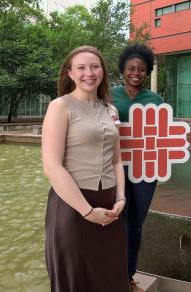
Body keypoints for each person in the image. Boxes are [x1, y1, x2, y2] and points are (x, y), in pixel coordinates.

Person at [42, 46, 128, 292]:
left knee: (110, 275)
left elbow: (116, 160)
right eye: (81, 67)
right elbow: (52, 167)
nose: (88, 73)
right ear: (70, 73)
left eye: (95, 66)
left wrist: (121, 197)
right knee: (76, 279)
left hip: (110, 206)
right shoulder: (60, 107)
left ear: (103, 71)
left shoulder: (110, 110)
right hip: (73, 206)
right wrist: (88, 211)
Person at [111, 43, 163, 292]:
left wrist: (181, 138)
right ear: (123, 70)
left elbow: (164, 131)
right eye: (131, 68)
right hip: (114, 168)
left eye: (141, 69)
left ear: (147, 71)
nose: (136, 73)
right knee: (115, 221)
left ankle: (129, 276)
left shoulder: (155, 99)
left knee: (135, 223)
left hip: (144, 171)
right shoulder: (108, 95)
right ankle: (111, 273)